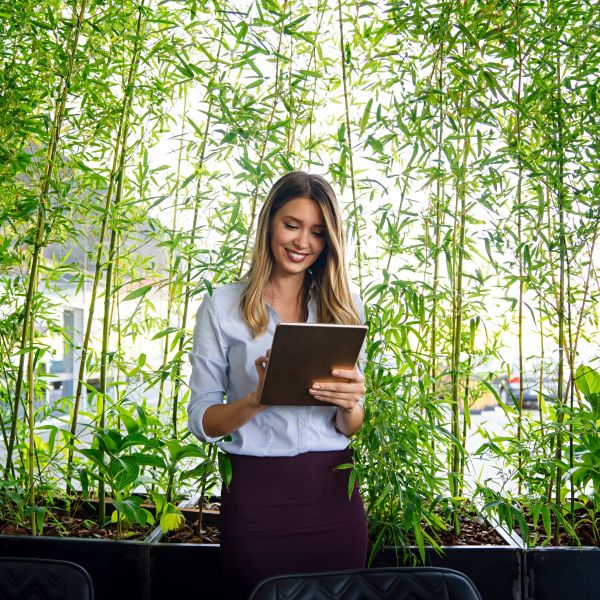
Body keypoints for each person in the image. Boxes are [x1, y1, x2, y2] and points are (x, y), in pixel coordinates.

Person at [187, 171, 368, 598]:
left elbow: (350, 426)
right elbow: (203, 419)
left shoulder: (344, 305)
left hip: (333, 492)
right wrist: (257, 399)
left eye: (318, 232)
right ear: (269, 222)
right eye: (292, 225)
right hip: (257, 498)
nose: (302, 242)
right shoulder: (221, 306)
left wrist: (350, 404)